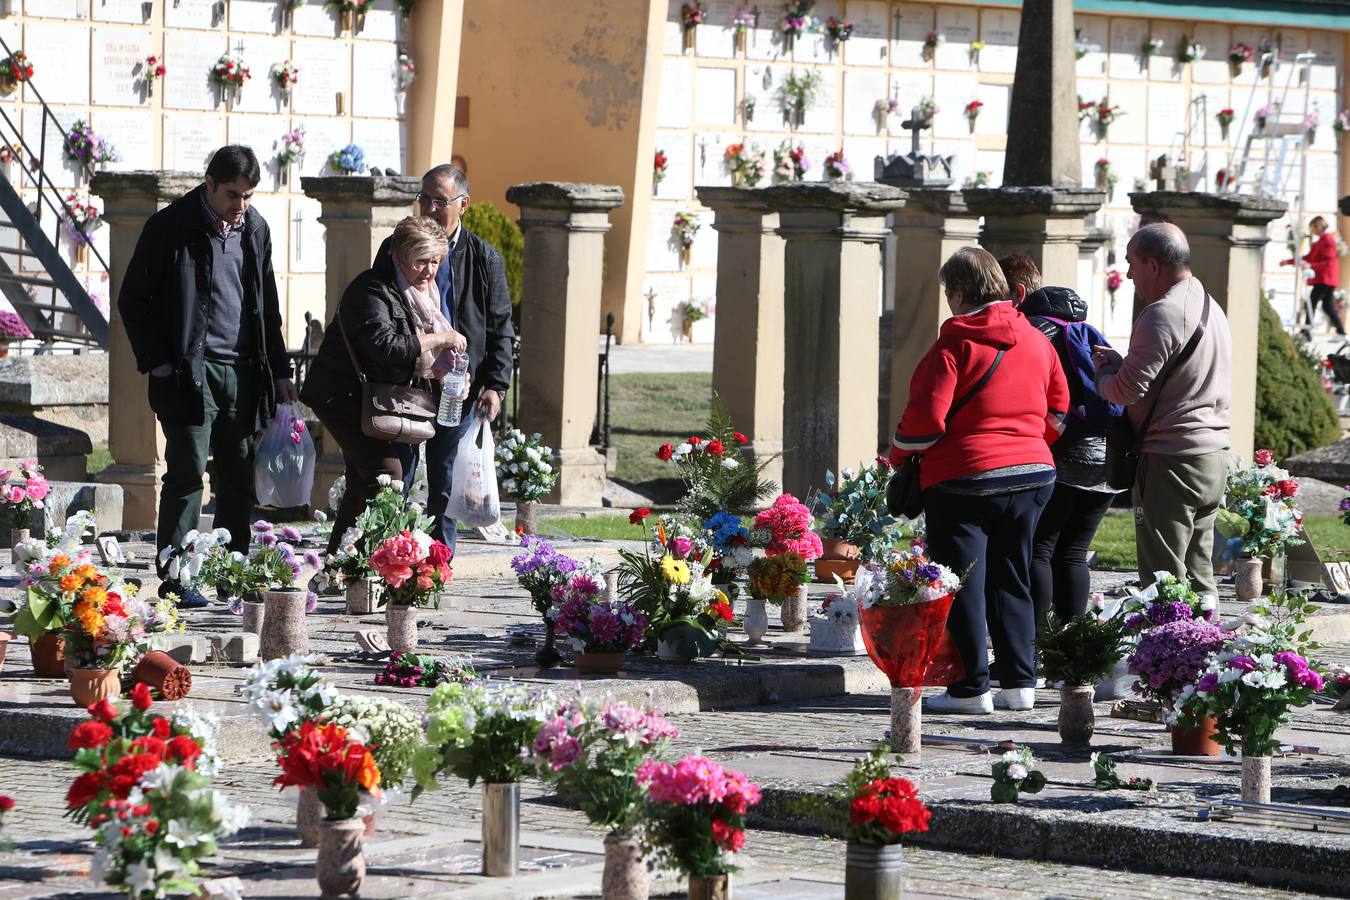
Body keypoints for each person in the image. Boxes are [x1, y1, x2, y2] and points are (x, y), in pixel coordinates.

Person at [889, 247, 1069, 714]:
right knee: (1014, 576)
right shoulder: (1036, 339)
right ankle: (1019, 684)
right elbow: (1059, 409)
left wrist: (898, 455)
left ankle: (972, 689)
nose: (948, 302)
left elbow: (924, 424)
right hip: (1032, 475)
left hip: (964, 479)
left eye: (949, 292)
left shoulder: (952, 345)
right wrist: (1030, 440)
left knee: (964, 581)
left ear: (963, 292)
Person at [119, 145, 295, 608]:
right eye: (233, 194)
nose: (240, 205)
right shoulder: (170, 226)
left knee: (238, 474)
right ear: (210, 184)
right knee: (186, 473)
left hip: (243, 371)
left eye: (249, 195)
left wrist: (279, 372)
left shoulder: (255, 228)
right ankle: (177, 576)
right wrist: (158, 361)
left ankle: (231, 571)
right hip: (187, 372)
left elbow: (267, 307)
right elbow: (133, 300)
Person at [300, 217, 466, 554]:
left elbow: (412, 358)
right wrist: (441, 338)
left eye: (435, 261)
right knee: (386, 473)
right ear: (398, 255)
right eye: (421, 260)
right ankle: (372, 561)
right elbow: (388, 347)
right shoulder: (372, 288)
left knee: (364, 480)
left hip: (371, 398)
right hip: (340, 395)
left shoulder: (425, 294)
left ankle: (339, 567)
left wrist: (448, 373)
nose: (429, 270)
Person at [374, 164, 514, 550]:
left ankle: (439, 561)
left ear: (463, 204)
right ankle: (390, 556)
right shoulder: (395, 249)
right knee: (396, 474)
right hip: (406, 380)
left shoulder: (484, 258)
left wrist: (496, 386)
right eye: (424, 199)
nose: (430, 208)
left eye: (440, 201)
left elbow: (501, 328)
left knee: (446, 479)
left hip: (458, 387)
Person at [1092, 223, 1232, 599]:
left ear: (1153, 265)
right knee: (1200, 570)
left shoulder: (1162, 313)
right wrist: (1124, 363)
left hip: (1173, 460)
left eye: (1131, 263)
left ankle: (1168, 652)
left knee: (1163, 576)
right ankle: (1206, 647)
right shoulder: (1207, 303)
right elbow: (1174, 375)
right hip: (1213, 454)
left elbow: (1123, 391)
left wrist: (1104, 373)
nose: (1129, 274)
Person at [999, 254, 1119, 622]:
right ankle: (1072, 649)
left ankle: (1035, 644)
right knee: (1075, 550)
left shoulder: (1033, 332)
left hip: (1063, 453)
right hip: (1107, 456)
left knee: (1040, 548)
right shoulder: (1086, 333)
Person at [1282, 216, 1343, 336]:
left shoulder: (1327, 240)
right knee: (1327, 307)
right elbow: (1309, 257)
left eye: (1313, 227)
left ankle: (1307, 331)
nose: (1311, 230)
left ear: (1318, 227)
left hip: (1326, 278)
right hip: (1324, 278)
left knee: (1312, 302)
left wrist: (1311, 265)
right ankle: (1341, 333)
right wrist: (1289, 261)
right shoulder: (1320, 242)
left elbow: (1328, 261)